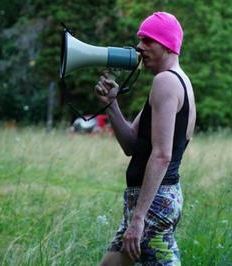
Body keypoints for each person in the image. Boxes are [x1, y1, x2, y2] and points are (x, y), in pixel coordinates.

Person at [95, 11, 196, 265]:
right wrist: (111, 104)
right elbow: (132, 144)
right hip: (150, 200)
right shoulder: (173, 82)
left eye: (148, 40)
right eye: (140, 39)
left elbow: (162, 155)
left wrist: (139, 217)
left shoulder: (166, 82)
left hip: (152, 203)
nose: (140, 46)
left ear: (168, 45)